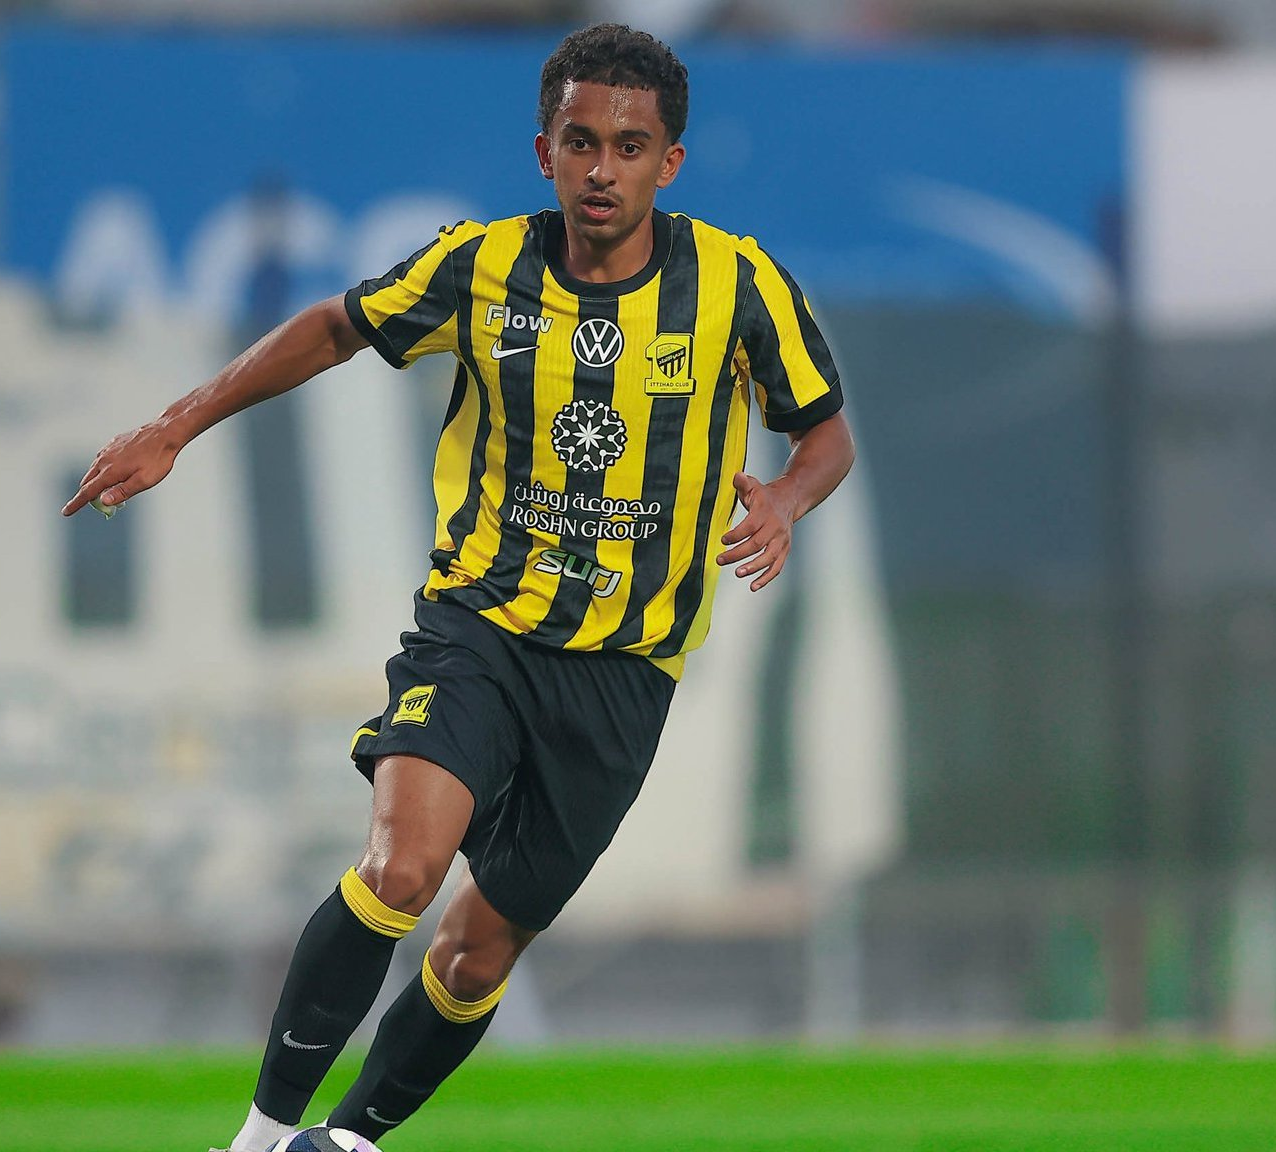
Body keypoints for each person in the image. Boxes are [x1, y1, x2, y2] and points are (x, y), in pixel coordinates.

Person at [64, 23, 857, 1151]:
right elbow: (334, 327)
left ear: (669, 163)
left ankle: (346, 1142)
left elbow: (824, 432)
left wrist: (783, 499)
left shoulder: (736, 283)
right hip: (478, 627)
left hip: (626, 674)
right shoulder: (480, 266)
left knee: (475, 952)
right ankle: (255, 1139)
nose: (601, 169)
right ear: (544, 152)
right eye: (579, 143)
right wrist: (173, 426)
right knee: (400, 869)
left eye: (628, 147)